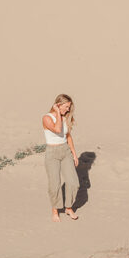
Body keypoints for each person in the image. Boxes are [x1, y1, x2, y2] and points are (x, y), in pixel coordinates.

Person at [42, 94, 80, 222]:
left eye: (69, 107)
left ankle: (68, 207)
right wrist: (58, 112)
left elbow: (68, 136)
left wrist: (74, 153)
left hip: (65, 151)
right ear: (58, 105)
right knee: (55, 184)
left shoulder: (65, 118)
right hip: (52, 153)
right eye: (66, 107)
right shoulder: (47, 118)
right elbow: (57, 129)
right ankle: (55, 210)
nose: (68, 110)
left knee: (73, 182)